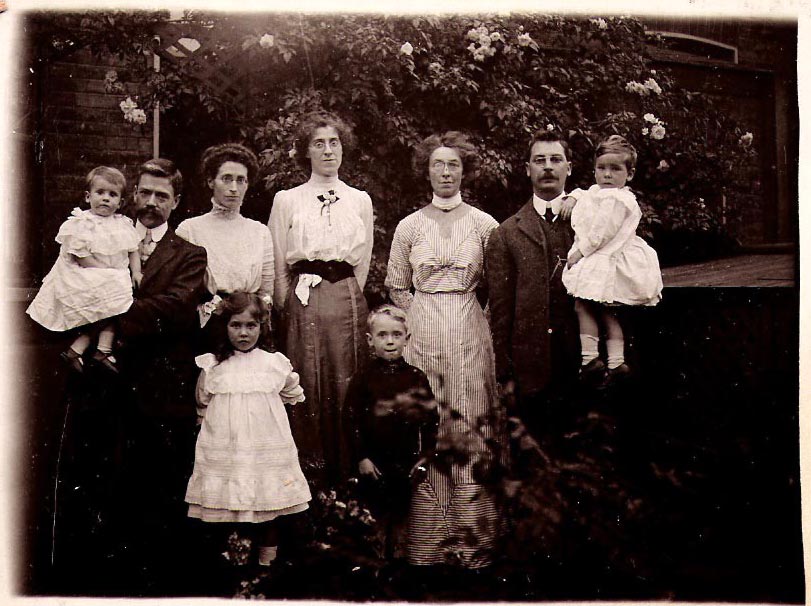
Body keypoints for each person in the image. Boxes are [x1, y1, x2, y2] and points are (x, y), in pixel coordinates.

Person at [52, 158, 208, 595]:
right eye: (144, 193)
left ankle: (153, 583)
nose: (151, 203)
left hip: (158, 387)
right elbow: (67, 287)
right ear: (132, 195)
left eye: (162, 196)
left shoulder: (190, 255)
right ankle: (94, 579)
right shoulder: (99, 236)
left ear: (176, 203)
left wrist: (102, 304)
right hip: (102, 383)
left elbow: (173, 311)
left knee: (156, 483)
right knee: (99, 478)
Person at [385, 131, 503, 570]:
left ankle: (473, 543)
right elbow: (396, 283)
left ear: (464, 171)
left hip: (471, 329)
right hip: (423, 332)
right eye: (439, 164)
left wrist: (473, 315)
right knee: (428, 425)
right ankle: (426, 543)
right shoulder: (409, 226)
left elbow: (498, 284)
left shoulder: (485, 225)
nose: (447, 172)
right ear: (427, 171)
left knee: (470, 421)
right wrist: (420, 316)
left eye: (454, 165)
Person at [268, 111, 373, 486]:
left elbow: (363, 262)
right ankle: (309, 483)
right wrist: (285, 310)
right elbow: (279, 259)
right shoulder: (287, 199)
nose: (328, 151)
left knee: (347, 383)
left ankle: (348, 478)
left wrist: (346, 293)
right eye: (319, 143)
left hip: (345, 298)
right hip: (303, 299)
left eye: (334, 143)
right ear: (306, 151)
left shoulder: (359, 199)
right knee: (307, 382)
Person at [185, 292, 311, 568]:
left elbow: (293, 394)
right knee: (226, 505)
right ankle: (233, 564)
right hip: (226, 445)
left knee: (267, 504)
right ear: (225, 326)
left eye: (250, 326)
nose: (243, 333)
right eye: (236, 325)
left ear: (262, 326)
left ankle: (267, 566)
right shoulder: (213, 365)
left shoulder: (273, 363)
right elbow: (201, 402)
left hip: (262, 446)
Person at [486, 129, 581, 437]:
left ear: (569, 167)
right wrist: (505, 372)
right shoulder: (507, 233)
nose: (548, 167)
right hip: (530, 370)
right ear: (527, 169)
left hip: (578, 362)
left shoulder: (590, 223)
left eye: (556, 159)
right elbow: (501, 311)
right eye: (540, 160)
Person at [562, 135, 663, 385]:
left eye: (615, 169)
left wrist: (579, 252)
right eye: (601, 168)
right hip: (600, 259)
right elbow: (586, 193)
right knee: (598, 310)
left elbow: (602, 232)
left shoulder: (619, 199)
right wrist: (573, 196)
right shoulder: (598, 192)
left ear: (629, 174)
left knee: (595, 308)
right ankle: (606, 361)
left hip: (607, 258)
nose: (607, 174)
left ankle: (598, 360)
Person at [344, 304, 438, 559]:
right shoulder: (363, 378)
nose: (389, 342)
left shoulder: (416, 377)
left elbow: (431, 421)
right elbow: (350, 419)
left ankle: (398, 574)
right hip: (373, 465)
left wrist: (425, 459)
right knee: (375, 521)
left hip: (404, 465)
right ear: (369, 340)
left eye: (396, 335)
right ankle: (375, 574)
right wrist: (362, 457)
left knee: (401, 521)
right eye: (382, 335)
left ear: (407, 339)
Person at [26, 166, 141, 373]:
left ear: (121, 202)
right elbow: (80, 254)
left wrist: (137, 271)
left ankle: (92, 349)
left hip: (111, 276)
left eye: (112, 195)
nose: (106, 198)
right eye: (100, 193)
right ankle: (94, 349)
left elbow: (133, 250)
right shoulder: (82, 222)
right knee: (108, 301)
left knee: (117, 302)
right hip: (83, 274)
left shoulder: (123, 224)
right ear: (88, 197)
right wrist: (105, 271)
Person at [176, 143, 274, 329]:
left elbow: (267, 291)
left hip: (247, 325)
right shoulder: (189, 229)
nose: (234, 188)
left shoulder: (260, 232)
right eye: (226, 179)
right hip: (203, 324)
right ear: (211, 181)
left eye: (241, 180)